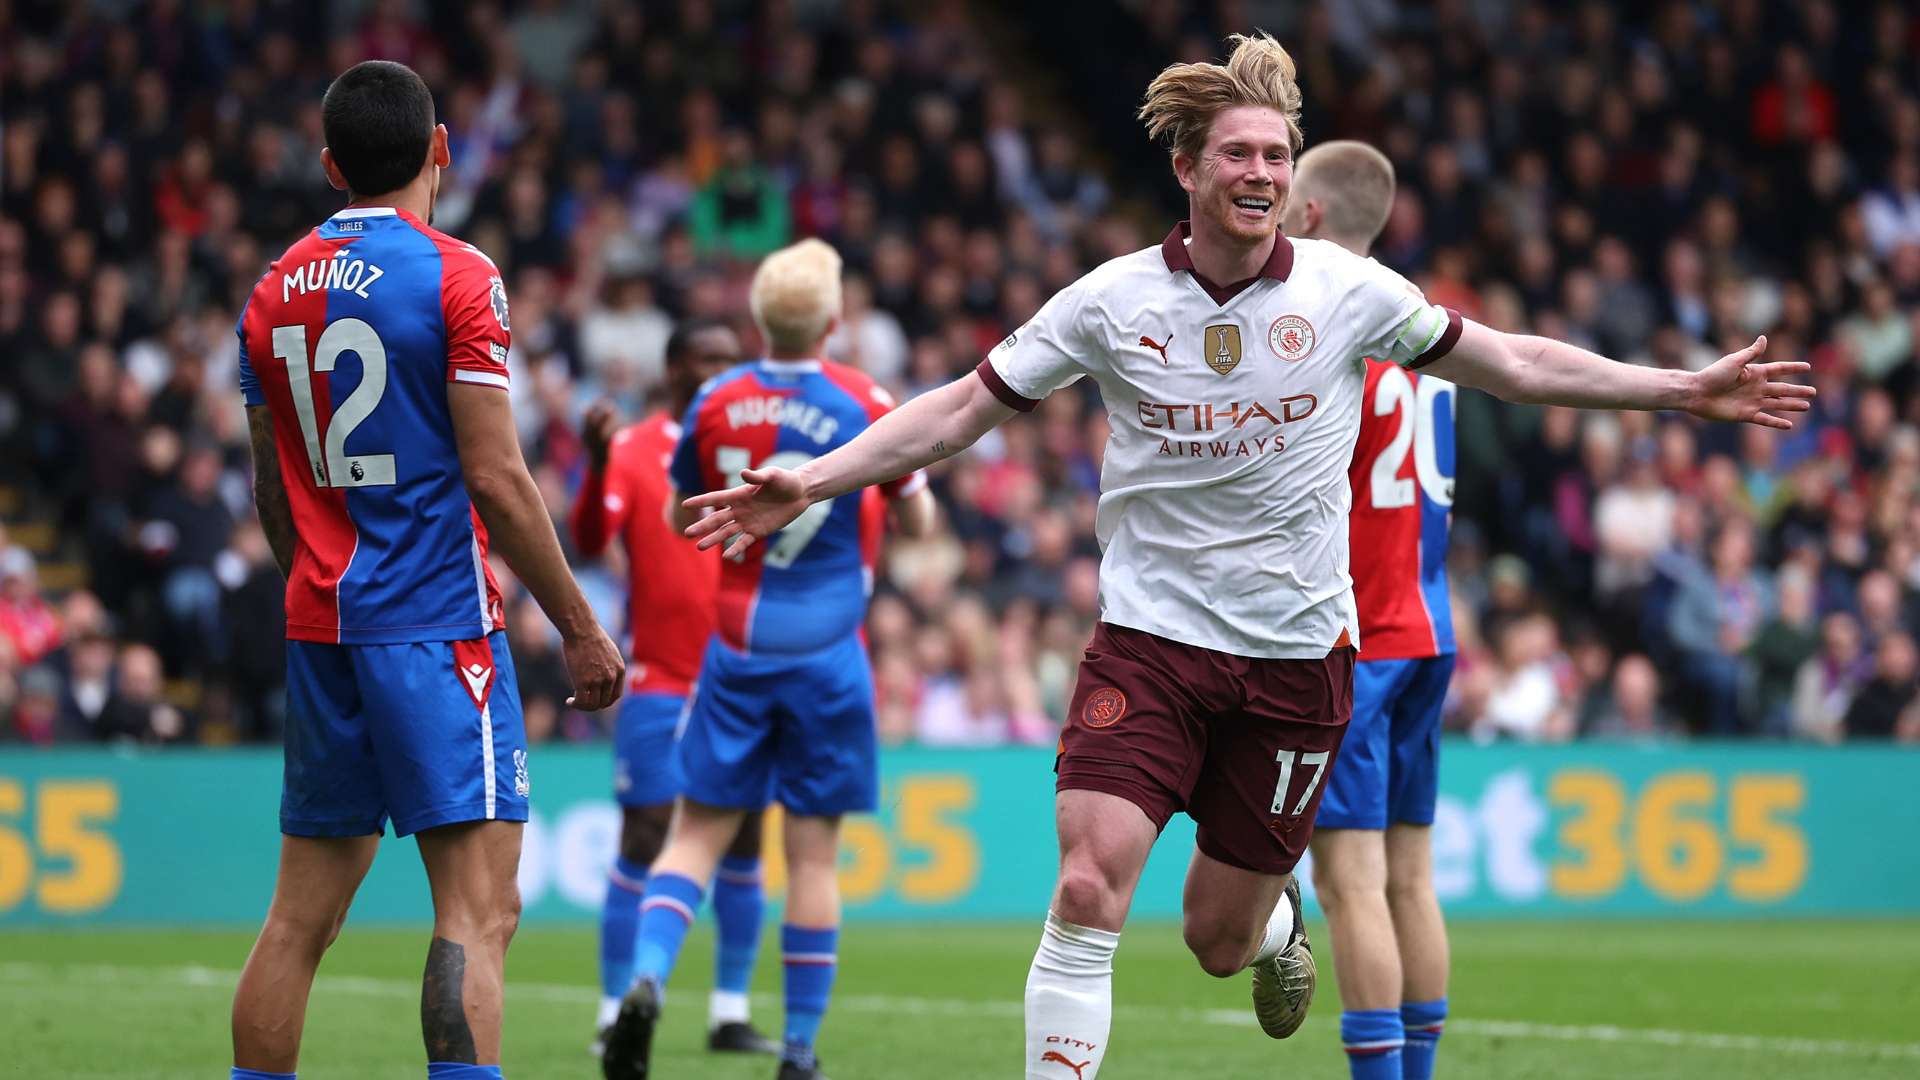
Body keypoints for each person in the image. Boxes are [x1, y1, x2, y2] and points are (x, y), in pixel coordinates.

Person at [679, 34, 1812, 1080]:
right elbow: (956, 414)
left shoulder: (1349, 294)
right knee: (1086, 885)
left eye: (1276, 153)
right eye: (1239, 153)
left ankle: (1274, 922)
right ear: (1188, 167)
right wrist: (814, 483)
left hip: (1295, 663)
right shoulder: (1110, 301)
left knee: (1216, 942)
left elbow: (1510, 362)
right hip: (1150, 646)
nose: (1262, 171)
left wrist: (1675, 390)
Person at [227, 60, 624, 1080]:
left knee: (296, 921)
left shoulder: (269, 294)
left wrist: (314, 580)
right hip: (439, 627)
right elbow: (494, 475)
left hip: (323, 625)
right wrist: (580, 624)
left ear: (328, 166)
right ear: (442, 149)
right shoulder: (458, 275)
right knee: (480, 910)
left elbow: (273, 492)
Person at [600, 238, 937, 1080]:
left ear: (756, 319)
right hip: (829, 656)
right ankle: (798, 1046)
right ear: (832, 318)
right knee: (813, 857)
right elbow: (919, 524)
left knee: (692, 839)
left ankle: (644, 981)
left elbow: (687, 517)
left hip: (737, 651)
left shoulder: (716, 399)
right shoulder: (865, 398)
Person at [1282, 139, 1456, 1080]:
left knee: (1350, 886)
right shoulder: (1427, 340)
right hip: (1433, 629)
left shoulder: (1336, 343)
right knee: (1412, 879)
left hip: (1363, 639)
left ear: (1310, 216)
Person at [571, 319, 779, 1056]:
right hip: (662, 677)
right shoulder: (634, 449)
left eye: (730, 358)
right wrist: (596, 466)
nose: (718, 368)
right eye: (705, 356)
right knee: (648, 834)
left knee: (748, 839)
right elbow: (592, 541)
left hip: (742, 675)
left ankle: (728, 1012)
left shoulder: (759, 451)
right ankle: (611, 1011)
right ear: (674, 367)